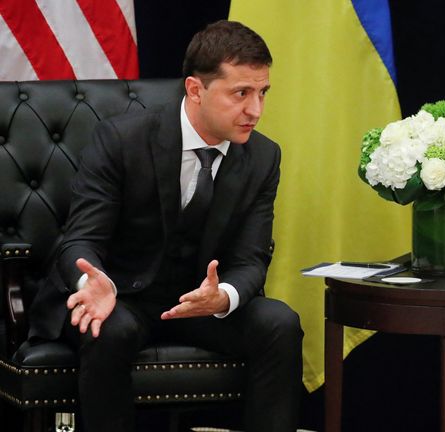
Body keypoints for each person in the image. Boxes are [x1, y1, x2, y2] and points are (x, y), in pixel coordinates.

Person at [26, 20, 303, 432]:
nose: (255, 110)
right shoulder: (121, 139)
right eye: (241, 93)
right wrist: (94, 282)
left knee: (279, 322)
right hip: (120, 296)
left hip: (196, 302)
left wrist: (223, 296)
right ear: (195, 89)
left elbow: (251, 258)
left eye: (262, 92)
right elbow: (80, 238)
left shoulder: (263, 157)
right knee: (108, 328)